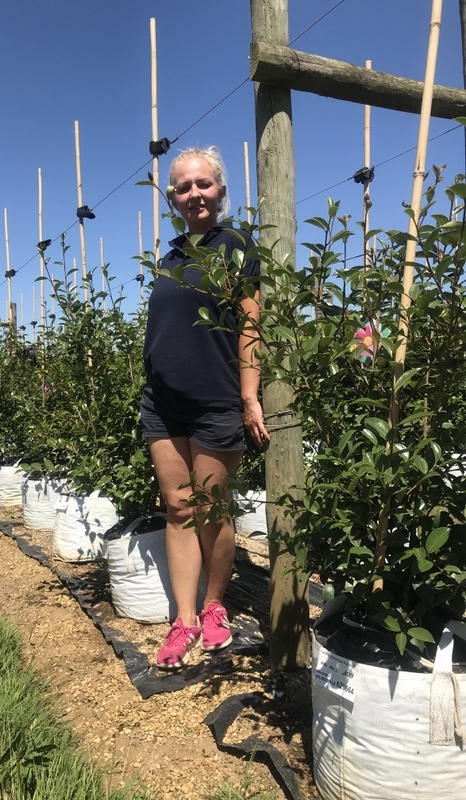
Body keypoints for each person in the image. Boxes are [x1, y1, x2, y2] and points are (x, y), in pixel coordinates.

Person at [141, 146, 270, 670]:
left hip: (216, 401)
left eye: (202, 184)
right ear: (171, 197)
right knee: (178, 508)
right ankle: (186, 618)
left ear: (220, 190)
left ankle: (215, 605)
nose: (193, 193)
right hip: (162, 404)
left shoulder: (237, 245)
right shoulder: (170, 255)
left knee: (212, 510)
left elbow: (250, 325)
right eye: (181, 187)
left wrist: (248, 396)